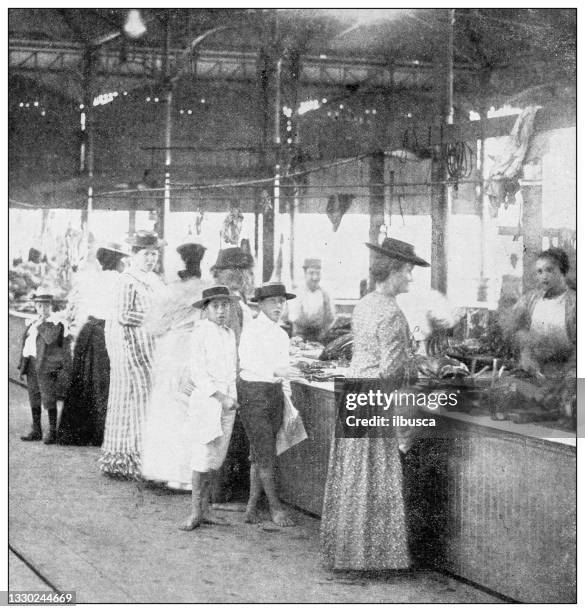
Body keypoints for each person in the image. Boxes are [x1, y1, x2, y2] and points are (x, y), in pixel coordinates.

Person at [320, 237, 429, 570]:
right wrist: (416, 369)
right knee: (375, 476)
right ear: (393, 271)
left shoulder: (365, 303)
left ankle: (347, 554)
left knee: (353, 477)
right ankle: (371, 558)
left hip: (355, 391)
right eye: (408, 271)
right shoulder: (393, 313)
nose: (411, 277)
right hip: (375, 397)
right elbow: (391, 371)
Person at [141, 242, 207, 490]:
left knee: (168, 409)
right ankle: (189, 475)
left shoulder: (169, 292)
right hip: (198, 349)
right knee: (191, 409)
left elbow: (153, 327)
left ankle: (165, 471)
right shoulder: (206, 289)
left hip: (172, 350)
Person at [99, 231, 165, 479]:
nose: (151, 259)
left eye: (155, 254)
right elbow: (124, 315)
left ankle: (146, 458)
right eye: (146, 254)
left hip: (150, 347)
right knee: (131, 401)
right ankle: (126, 460)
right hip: (130, 349)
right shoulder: (126, 281)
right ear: (134, 255)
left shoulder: (155, 280)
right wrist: (157, 318)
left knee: (146, 402)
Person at [238, 282, 299, 527]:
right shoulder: (252, 331)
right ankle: (275, 508)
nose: (278, 306)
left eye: (282, 302)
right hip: (253, 393)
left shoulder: (281, 334)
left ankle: (252, 505)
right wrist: (275, 369)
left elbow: (283, 373)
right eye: (273, 301)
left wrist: (288, 399)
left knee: (261, 452)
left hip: (273, 394)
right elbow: (246, 364)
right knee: (266, 454)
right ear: (260, 304)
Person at [179, 286, 240, 531]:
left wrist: (231, 398)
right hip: (207, 400)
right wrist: (220, 396)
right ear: (206, 309)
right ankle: (195, 512)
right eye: (216, 306)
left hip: (227, 401)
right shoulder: (200, 333)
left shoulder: (229, 334)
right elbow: (199, 373)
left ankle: (206, 509)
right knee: (201, 457)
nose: (222, 311)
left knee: (216, 458)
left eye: (225, 305)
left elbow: (232, 369)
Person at [57, 243, 129, 446]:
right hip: (106, 331)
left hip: (87, 331)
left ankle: (77, 432)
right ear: (117, 262)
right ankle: (101, 433)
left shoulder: (90, 279)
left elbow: (77, 307)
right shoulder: (120, 280)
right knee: (103, 382)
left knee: (83, 379)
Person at [208, 246, 256, 504]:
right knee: (225, 435)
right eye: (233, 269)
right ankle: (221, 493)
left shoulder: (234, 298)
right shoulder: (229, 301)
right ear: (220, 272)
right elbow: (234, 342)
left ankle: (220, 491)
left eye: (243, 269)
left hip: (226, 375)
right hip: (227, 376)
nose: (239, 275)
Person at [502, 247, 576, 378]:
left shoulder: (574, 302)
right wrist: (526, 351)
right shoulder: (530, 300)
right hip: (535, 372)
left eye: (549, 270)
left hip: (568, 374)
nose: (544, 276)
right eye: (539, 271)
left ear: (563, 271)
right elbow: (512, 328)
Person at [19, 293, 71, 445]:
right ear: (35, 307)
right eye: (39, 305)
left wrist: (41, 322)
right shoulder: (32, 323)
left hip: (45, 366)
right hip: (31, 364)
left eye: (46, 305)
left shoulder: (55, 323)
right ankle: (36, 430)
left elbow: (49, 338)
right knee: (33, 396)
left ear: (51, 306)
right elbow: (26, 344)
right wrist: (22, 364)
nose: (43, 308)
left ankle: (53, 431)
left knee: (48, 397)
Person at [287, 258, 334, 341]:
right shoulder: (297, 294)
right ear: (305, 274)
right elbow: (294, 318)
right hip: (300, 336)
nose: (315, 277)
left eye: (318, 274)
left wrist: (323, 332)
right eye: (311, 273)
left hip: (320, 337)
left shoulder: (325, 294)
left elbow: (330, 318)